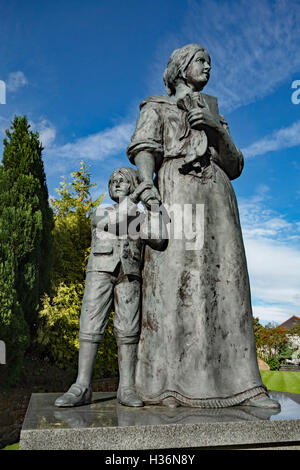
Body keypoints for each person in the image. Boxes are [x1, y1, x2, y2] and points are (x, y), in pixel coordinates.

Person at [127, 44, 279, 409]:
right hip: (176, 191)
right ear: (181, 67)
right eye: (201, 60)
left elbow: (235, 164)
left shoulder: (214, 112)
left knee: (229, 282)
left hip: (218, 198)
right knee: (177, 280)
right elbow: (145, 149)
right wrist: (149, 192)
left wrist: (216, 129)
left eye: (210, 61)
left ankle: (245, 384)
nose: (208, 66)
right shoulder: (156, 106)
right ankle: (169, 386)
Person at [55, 167, 168, 408]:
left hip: (129, 272)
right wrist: (135, 198)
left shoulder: (141, 216)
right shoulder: (101, 212)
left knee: (128, 328)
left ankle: (126, 387)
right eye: (113, 181)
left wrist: (155, 205)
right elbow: (111, 223)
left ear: (132, 183)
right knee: (91, 323)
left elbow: (159, 238)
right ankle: (82, 385)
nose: (117, 184)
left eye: (123, 181)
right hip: (100, 269)